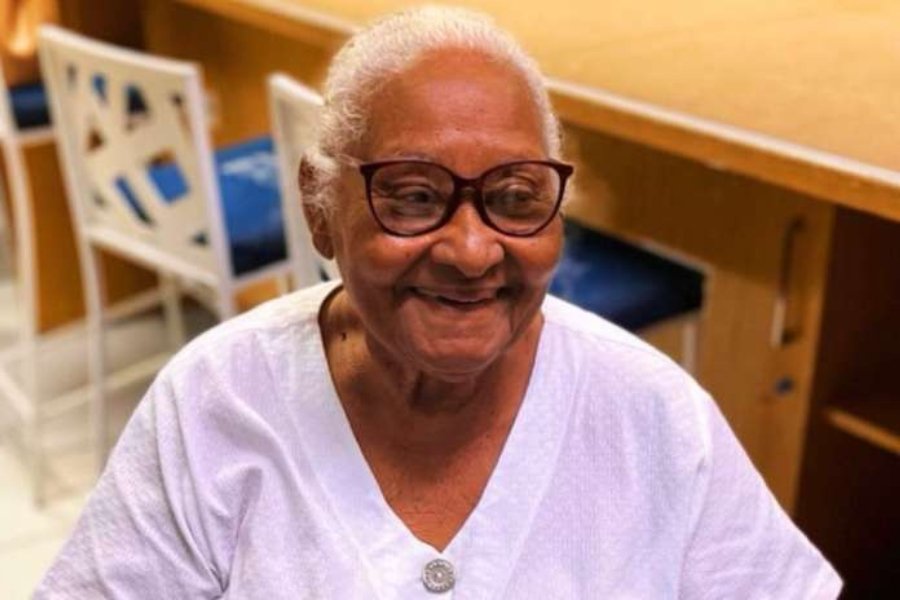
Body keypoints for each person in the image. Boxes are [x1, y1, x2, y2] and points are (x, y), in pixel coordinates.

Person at [36, 6, 841, 598]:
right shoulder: (217, 402)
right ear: (319, 206)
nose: (472, 250)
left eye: (517, 198)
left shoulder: (653, 416)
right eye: (415, 196)